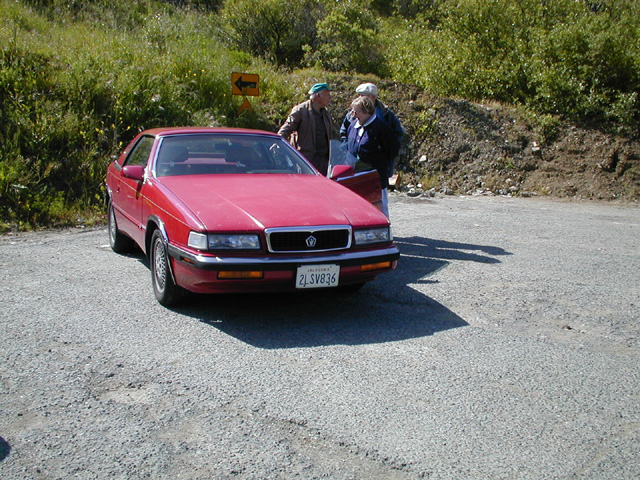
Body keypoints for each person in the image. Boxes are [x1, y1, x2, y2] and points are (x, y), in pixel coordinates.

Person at [345, 96, 400, 219]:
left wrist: (379, 161)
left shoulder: (380, 127)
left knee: (379, 206)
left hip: (375, 175)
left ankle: (383, 231)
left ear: (367, 111)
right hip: (356, 174)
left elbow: (393, 149)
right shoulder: (353, 125)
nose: (354, 115)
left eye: (356, 112)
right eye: (352, 111)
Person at [340, 82, 404, 175]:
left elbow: (397, 134)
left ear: (373, 97)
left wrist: (384, 158)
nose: (359, 98)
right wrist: (348, 148)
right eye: (359, 95)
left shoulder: (385, 114)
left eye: (362, 96)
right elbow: (344, 131)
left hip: (377, 169)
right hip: (355, 165)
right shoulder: (352, 113)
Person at [277, 82, 334, 176]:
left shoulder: (325, 113)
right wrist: (277, 142)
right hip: (306, 159)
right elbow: (286, 128)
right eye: (327, 94)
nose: (330, 97)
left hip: (323, 159)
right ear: (318, 95)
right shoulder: (300, 110)